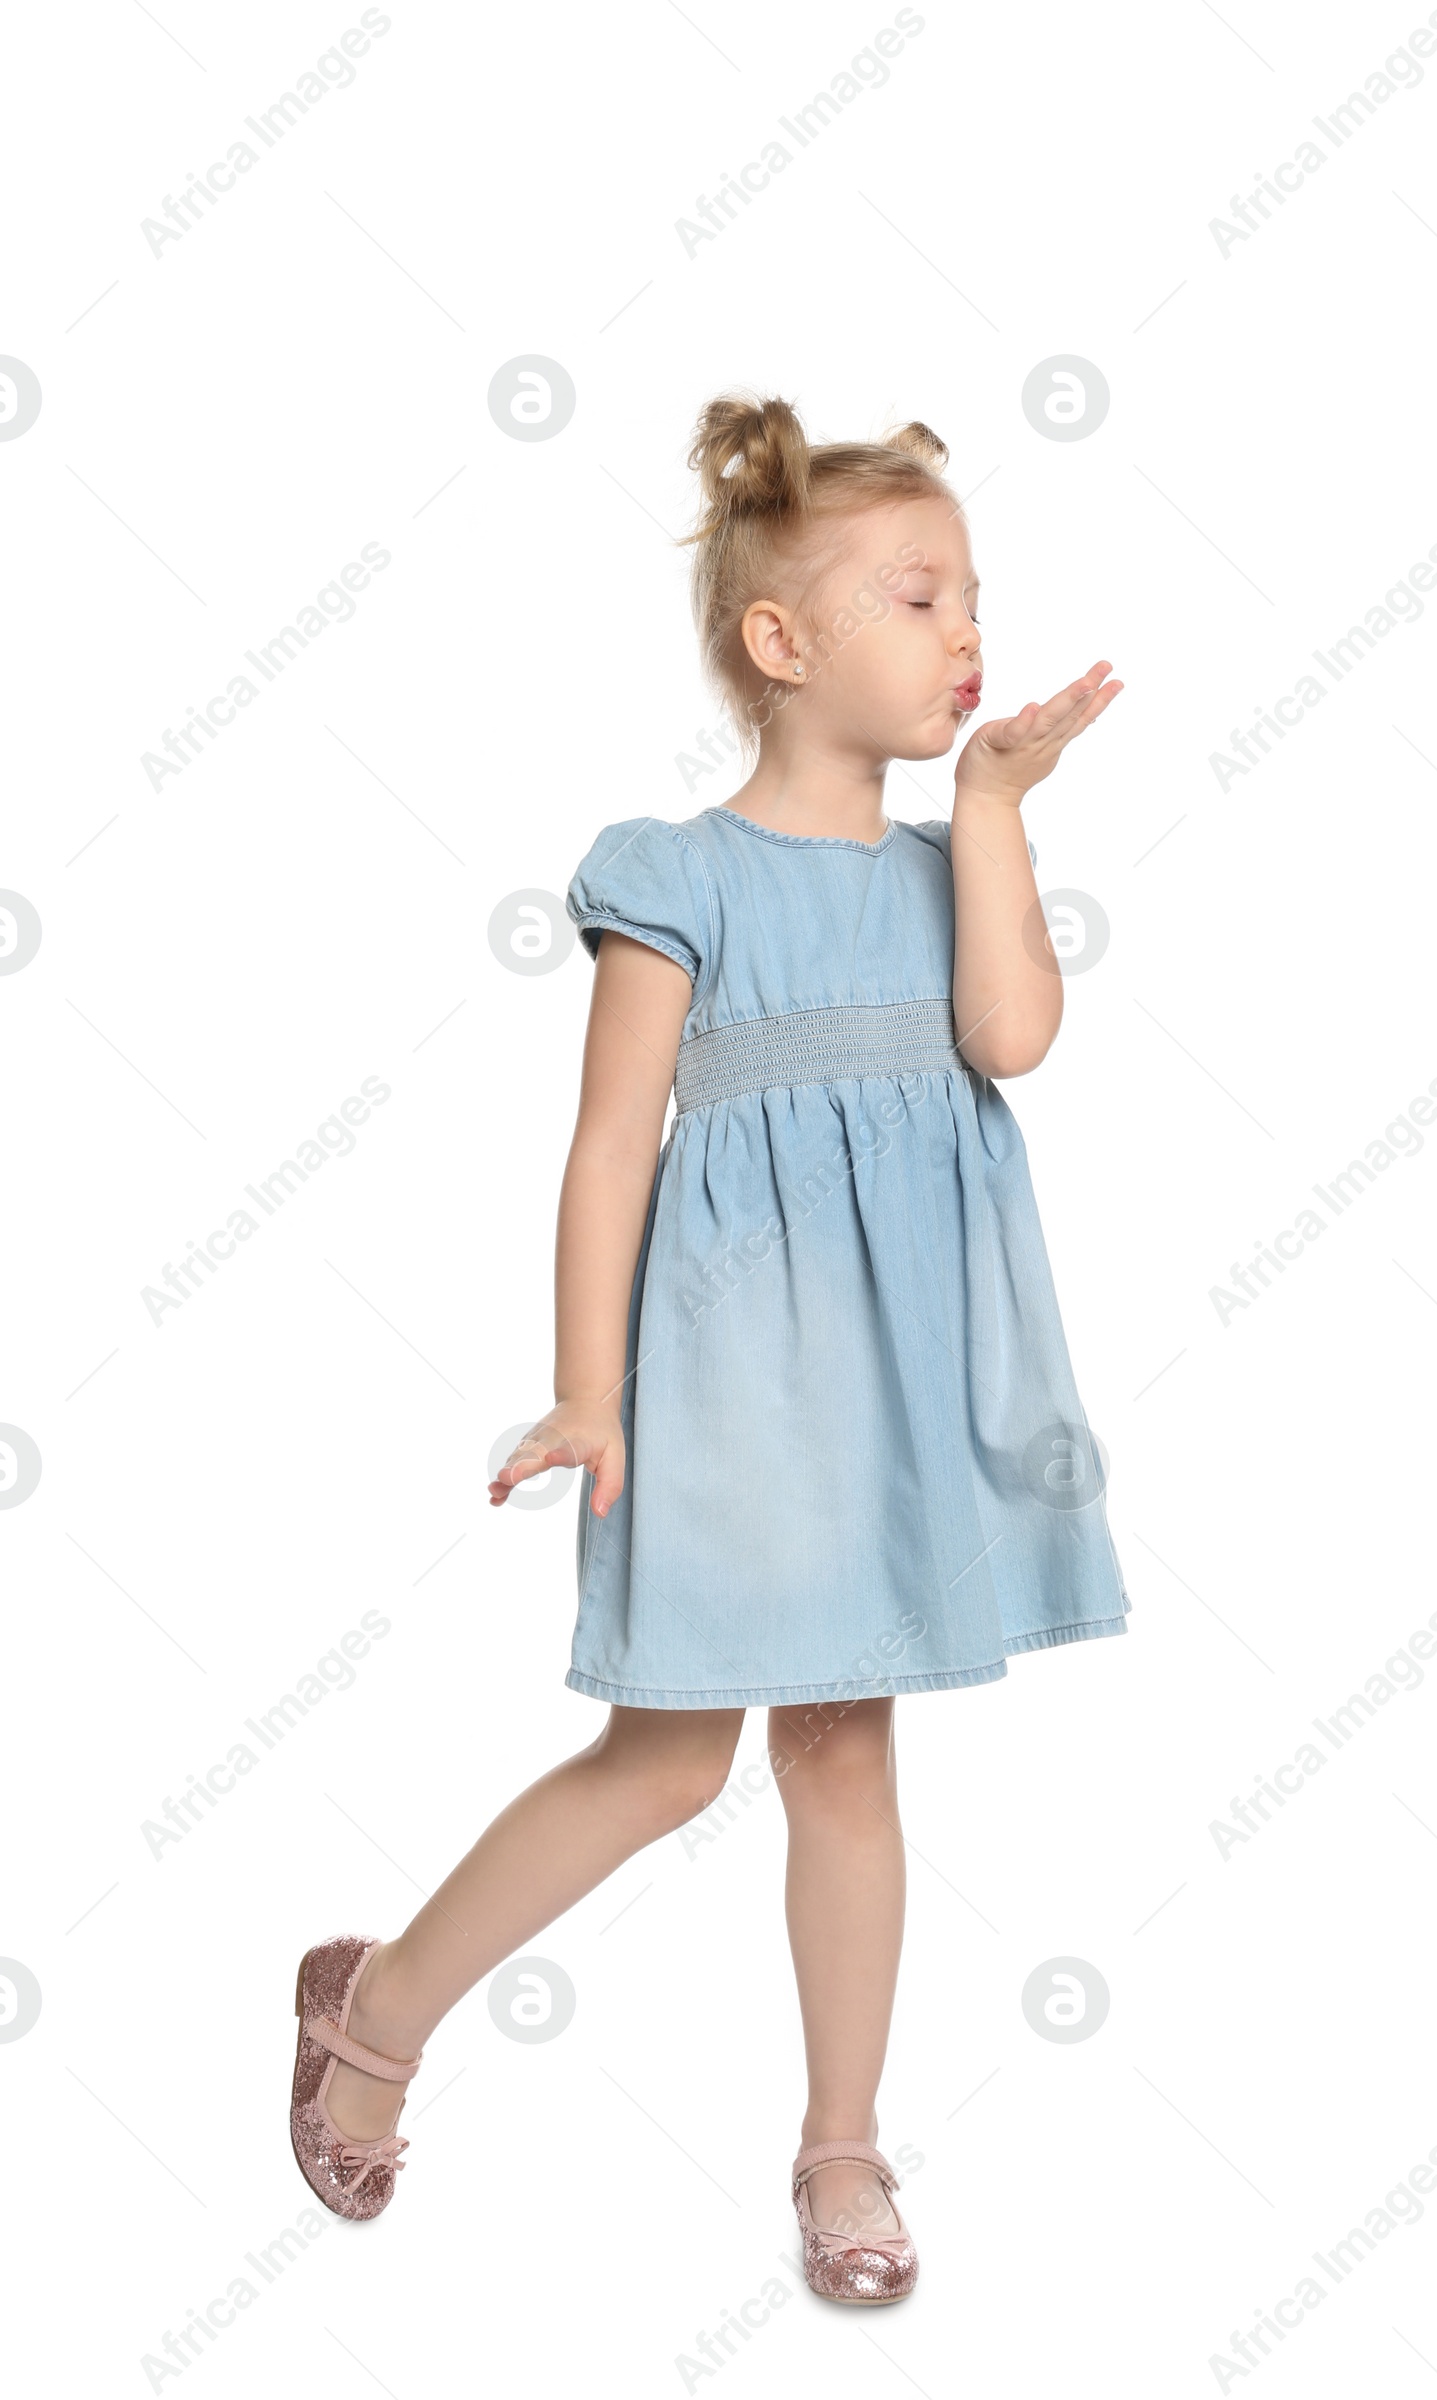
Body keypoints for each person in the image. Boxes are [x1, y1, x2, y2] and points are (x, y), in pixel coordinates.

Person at [289, 391, 1131, 2305]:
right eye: (920, 596)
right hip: (740, 1374)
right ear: (783, 644)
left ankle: (844, 2145)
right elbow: (611, 1146)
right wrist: (591, 1388)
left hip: (901, 1385)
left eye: (975, 594)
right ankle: (379, 2008)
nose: (969, 632)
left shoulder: (945, 866)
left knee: (844, 1754)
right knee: (670, 1757)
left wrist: (993, 806)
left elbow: (1009, 1042)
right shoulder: (680, 872)